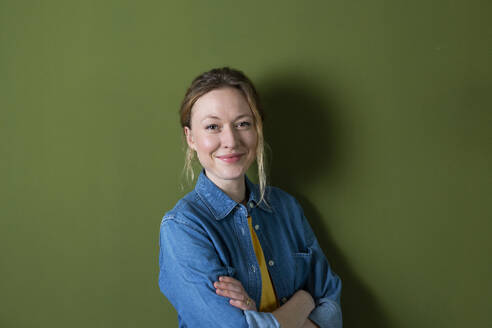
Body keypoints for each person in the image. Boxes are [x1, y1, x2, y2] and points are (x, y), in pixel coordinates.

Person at [158, 67, 342, 328]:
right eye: (213, 127)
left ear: (258, 129)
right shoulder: (182, 227)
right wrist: (304, 300)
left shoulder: (286, 207)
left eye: (243, 123)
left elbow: (332, 309)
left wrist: (260, 318)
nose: (231, 140)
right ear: (191, 138)